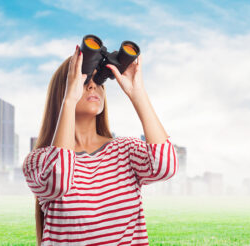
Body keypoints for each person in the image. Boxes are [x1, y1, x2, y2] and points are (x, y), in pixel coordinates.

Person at [22, 44, 179, 245]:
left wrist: (137, 92)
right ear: (64, 89)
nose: (92, 85)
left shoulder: (125, 151)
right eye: (84, 79)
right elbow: (59, 178)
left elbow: (165, 167)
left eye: (99, 80)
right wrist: (69, 99)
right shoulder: (39, 161)